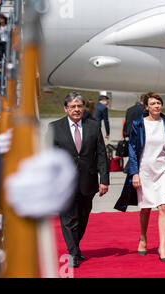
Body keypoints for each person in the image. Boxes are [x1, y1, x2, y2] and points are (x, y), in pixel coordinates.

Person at [49, 91, 110, 268]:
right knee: (69, 218)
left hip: (87, 181)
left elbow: (101, 154)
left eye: (79, 106)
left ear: (84, 107)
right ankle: (73, 253)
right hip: (64, 183)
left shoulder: (93, 126)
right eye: (73, 106)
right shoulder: (54, 127)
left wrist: (104, 179)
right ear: (66, 109)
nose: (76, 109)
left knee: (83, 216)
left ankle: (75, 246)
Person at [126, 92, 165, 262]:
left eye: (159, 103)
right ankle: (143, 237)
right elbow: (132, 149)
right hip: (145, 170)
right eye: (153, 103)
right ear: (146, 107)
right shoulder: (139, 124)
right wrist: (134, 173)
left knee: (163, 207)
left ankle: (162, 246)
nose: (157, 106)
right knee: (146, 208)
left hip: (163, 169)